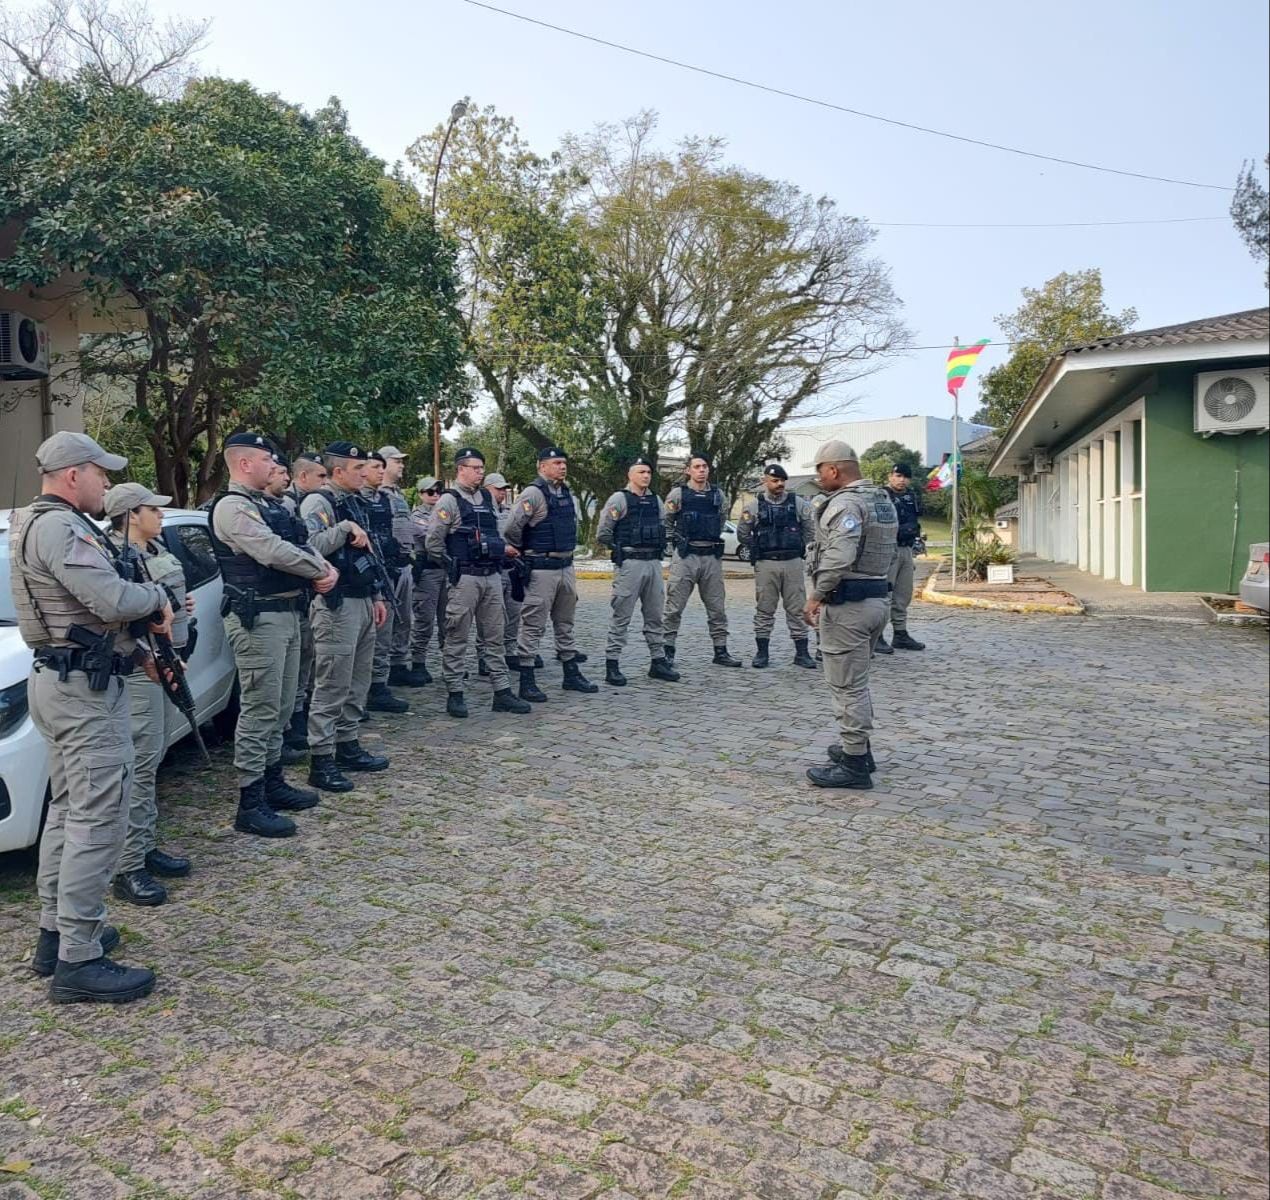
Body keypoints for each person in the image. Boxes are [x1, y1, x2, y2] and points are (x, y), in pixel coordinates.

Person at [10, 431, 173, 1003]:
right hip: (82, 692)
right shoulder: (59, 525)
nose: (108, 482)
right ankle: (79, 959)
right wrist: (156, 599)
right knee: (96, 820)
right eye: (101, 472)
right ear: (73, 474)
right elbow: (111, 600)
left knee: (67, 812)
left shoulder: (37, 521)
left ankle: (57, 935)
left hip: (65, 680)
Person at [210, 434, 337, 832]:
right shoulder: (233, 508)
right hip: (258, 618)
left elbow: (297, 541)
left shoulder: (271, 504)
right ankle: (250, 800)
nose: (274, 465)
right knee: (261, 707)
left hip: (286, 611)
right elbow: (269, 550)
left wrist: (321, 565)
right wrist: (320, 570)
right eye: (268, 459)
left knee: (282, 706)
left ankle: (272, 780)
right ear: (245, 464)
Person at [102, 482, 194, 906]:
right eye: (152, 511)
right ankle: (128, 865)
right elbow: (120, 620)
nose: (161, 516)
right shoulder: (116, 559)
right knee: (139, 762)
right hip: (142, 669)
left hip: (166, 661)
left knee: (153, 756)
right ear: (131, 516)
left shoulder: (153, 553)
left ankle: (145, 845)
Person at [802, 440, 898, 790]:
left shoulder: (846, 504)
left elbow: (839, 556)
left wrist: (817, 595)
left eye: (819, 471)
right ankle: (857, 749)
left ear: (833, 470)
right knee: (857, 682)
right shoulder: (881, 499)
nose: (818, 478)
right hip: (875, 599)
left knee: (847, 686)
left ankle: (855, 764)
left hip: (848, 606)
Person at [300, 442, 391, 791]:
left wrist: (377, 595)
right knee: (332, 683)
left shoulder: (354, 500)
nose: (365, 472)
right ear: (339, 471)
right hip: (336, 606)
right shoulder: (319, 502)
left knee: (358, 680)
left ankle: (347, 744)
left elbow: (368, 553)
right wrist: (344, 529)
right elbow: (308, 547)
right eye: (357, 468)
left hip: (363, 599)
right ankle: (321, 758)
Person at [424, 447, 531, 718]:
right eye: (475, 468)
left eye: (482, 468)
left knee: (494, 635)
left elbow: (495, 532)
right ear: (460, 469)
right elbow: (433, 543)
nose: (480, 473)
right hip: (465, 578)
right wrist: (453, 566)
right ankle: (455, 692)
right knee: (457, 634)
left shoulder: (487, 497)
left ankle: (502, 691)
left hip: (492, 576)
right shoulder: (448, 501)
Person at [503, 446, 597, 700]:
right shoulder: (533, 493)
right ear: (541, 466)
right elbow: (512, 528)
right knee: (533, 624)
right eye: (556, 463)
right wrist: (525, 552)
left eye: (564, 462)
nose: (562, 467)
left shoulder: (564, 491)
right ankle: (526, 679)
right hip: (541, 568)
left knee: (565, 622)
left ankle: (570, 673)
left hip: (566, 566)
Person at [595, 456, 680, 686]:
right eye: (641, 471)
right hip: (630, 563)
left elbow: (664, 526)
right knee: (621, 615)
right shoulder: (619, 499)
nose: (646, 476)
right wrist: (620, 548)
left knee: (654, 615)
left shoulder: (656, 501)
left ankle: (658, 661)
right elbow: (603, 532)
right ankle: (612, 664)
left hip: (653, 563)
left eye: (648, 472)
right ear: (630, 475)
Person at [662, 453, 741, 667]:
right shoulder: (678, 494)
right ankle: (667, 651)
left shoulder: (718, 495)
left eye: (705, 466)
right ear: (688, 470)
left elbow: (722, 519)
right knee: (674, 607)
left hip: (711, 558)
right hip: (686, 556)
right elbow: (667, 522)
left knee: (717, 607)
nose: (702, 470)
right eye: (697, 466)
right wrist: (673, 547)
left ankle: (721, 650)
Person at [737, 464, 818, 669]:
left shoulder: (798, 504)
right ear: (765, 481)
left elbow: (810, 531)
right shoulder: (754, 507)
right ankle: (762, 653)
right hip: (766, 564)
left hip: (792, 563)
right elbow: (743, 534)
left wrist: (801, 548)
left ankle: (802, 652)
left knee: (797, 609)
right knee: (765, 609)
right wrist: (758, 547)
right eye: (775, 480)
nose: (780, 484)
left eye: (782, 480)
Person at [282, 452, 328, 756]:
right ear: (303, 477)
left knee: (305, 658)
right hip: (288, 597)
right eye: (320, 476)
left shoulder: (300, 502)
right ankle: (292, 723)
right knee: (295, 664)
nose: (325, 482)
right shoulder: (287, 504)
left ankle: (298, 715)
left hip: (303, 596)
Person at [361, 452, 410, 714]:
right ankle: (368, 688)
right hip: (368, 575)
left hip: (392, 568)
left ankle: (378, 684)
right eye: (375, 466)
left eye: (383, 466)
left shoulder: (387, 498)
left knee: (388, 630)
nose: (380, 471)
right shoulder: (356, 499)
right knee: (372, 635)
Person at [877, 462, 926, 653]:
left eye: (905, 476)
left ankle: (900, 634)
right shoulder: (881, 496)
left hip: (906, 549)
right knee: (885, 596)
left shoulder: (910, 496)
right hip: (888, 549)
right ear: (890, 476)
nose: (901, 479)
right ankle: (877, 635)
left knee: (903, 595)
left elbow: (915, 521)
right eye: (898, 476)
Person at [480, 472, 522, 676]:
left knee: (514, 611)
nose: (502, 493)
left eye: (504, 489)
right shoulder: (480, 510)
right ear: (487, 488)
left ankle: (510, 650)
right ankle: (483, 655)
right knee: (490, 616)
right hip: (491, 568)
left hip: (511, 568)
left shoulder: (509, 511)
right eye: (498, 489)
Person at [408, 475, 447, 684]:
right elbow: (430, 536)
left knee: (448, 620)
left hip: (446, 571)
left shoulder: (445, 512)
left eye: (438, 491)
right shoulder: (416, 516)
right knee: (424, 618)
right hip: (428, 571)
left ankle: (450, 663)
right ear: (421, 494)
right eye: (430, 492)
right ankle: (418, 662)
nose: (435, 495)